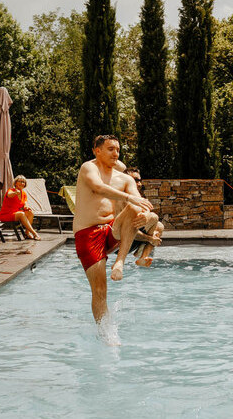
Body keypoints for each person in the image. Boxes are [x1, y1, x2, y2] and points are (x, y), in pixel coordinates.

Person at [73, 135, 155, 324]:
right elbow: (98, 187)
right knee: (100, 290)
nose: (115, 153)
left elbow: (138, 201)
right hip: (88, 233)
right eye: (110, 149)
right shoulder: (89, 168)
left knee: (135, 209)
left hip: (112, 230)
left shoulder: (125, 179)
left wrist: (143, 214)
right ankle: (104, 333)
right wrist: (129, 199)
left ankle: (120, 261)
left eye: (118, 150)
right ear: (97, 150)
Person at [121, 167, 163, 267]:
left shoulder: (139, 199)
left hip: (134, 240)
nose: (139, 184)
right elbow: (124, 231)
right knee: (153, 218)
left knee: (159, 226)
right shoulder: (121, 200)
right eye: (135, 180)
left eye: (139, 180)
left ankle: (143, 258)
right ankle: (142, 253)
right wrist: (150, 238)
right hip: (120, 242)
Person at [0, 175, 41, 240]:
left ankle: (27, 233)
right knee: (21, 214)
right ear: (15, 183)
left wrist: (27, 207)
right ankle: (35, 233)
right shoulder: (10, 190)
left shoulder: (24, 193)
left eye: (23, 182)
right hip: (6, 214)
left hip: (16, 214)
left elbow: (25, 203)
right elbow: (9, 195)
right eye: (20, 181)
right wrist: (15, 193)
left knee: (30, 213)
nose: (22, 183)